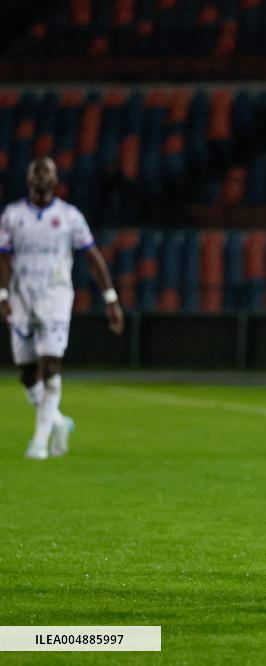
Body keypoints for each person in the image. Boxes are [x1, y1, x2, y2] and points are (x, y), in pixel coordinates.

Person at [0, 156, 123, 459]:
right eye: (36, 172)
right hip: (21, 298)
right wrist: (2, 294)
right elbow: (2, 256)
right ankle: (58, 422)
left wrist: (111, 299)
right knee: (27, 373)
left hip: (55, 298)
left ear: (56, 181)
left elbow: (92, 257)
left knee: (50, 365)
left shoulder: (69, 217)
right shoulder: (12, 215)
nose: (41, 177)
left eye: (47, 172)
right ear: (28, 179)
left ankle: (39, 442)